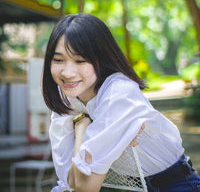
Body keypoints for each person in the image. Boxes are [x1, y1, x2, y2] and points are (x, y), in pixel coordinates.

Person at [42, 13, 200, 192]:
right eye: (58, 60)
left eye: (80, 60)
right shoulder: (68, 96)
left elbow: (87, 187)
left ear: (101, 59)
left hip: (177, 184)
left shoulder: (119, 93)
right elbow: (70, 182)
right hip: (138, 186)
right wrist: (83, 125)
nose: (67, 72)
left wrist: (80, 126)